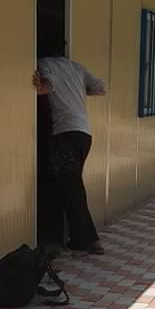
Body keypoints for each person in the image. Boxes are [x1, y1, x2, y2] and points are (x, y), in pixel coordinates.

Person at [33, 45, 106, 255]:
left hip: (65, 134)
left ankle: (89, 240)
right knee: (69, 185)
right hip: (84, 134)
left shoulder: (45, 63)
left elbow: (46, 88)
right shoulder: (77, 67)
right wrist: (77, 91)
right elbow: (100, 88)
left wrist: (36, 85)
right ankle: (76, 239)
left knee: (70, 187)